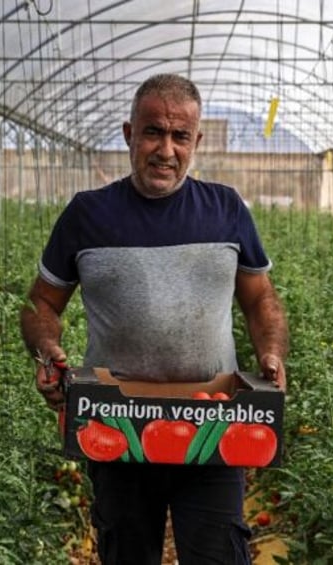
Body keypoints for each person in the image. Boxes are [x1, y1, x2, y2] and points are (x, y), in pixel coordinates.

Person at [20, 73, 289, 565]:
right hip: (117, 425)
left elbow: (261, 301)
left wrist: (270, 352)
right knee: (126, 553)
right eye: (153, 132)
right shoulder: (87, 214)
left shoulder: (226, 209)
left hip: (214, 423)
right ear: (129, 134)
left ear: (196, 142)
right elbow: (41, 304)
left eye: (179, 136)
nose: (166, 149)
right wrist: (46, 350)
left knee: (218, 554)